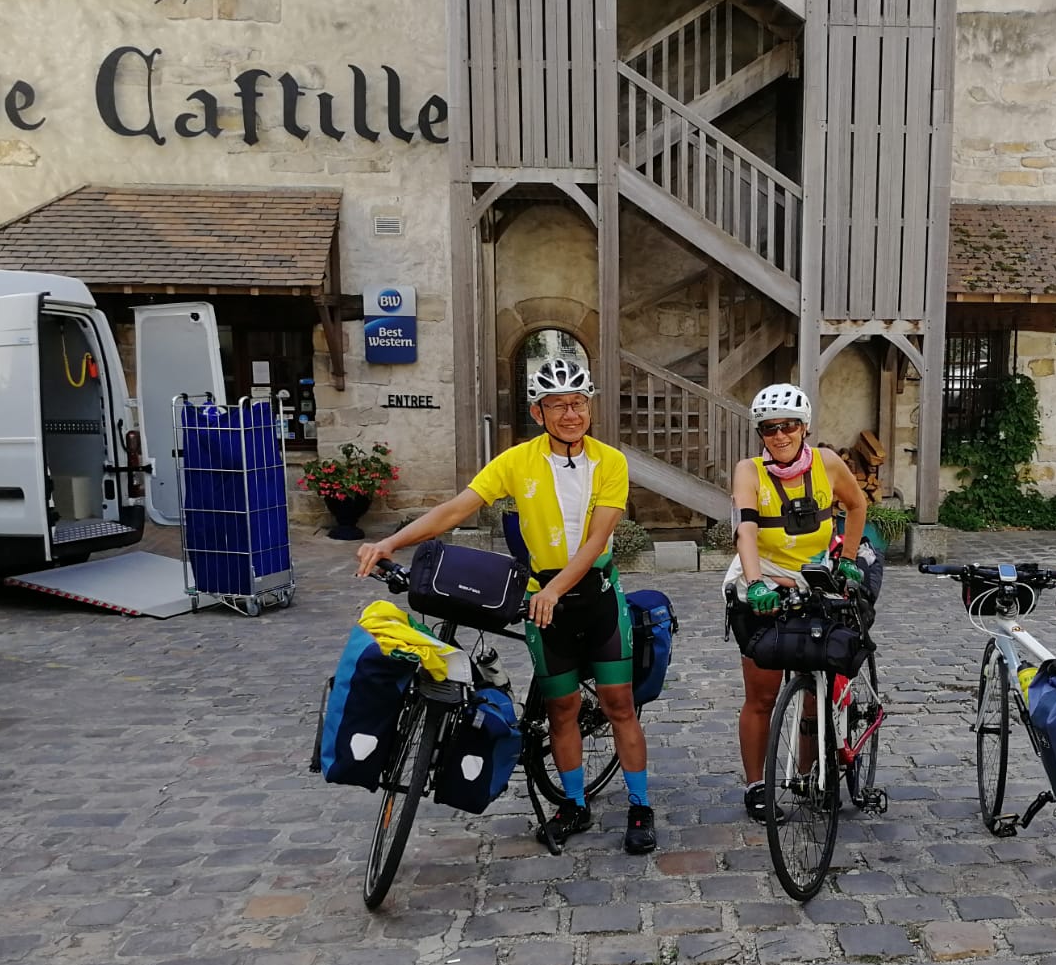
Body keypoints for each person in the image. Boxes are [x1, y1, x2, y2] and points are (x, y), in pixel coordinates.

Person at [355, 358, 656, 855]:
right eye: (557, 406)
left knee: (619, 705)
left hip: (597, 597)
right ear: (538, 413)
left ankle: (640, 805)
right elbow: (457, 508)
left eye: (578, 403)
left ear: (589, 408)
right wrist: (391, 541)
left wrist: (556, 589)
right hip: (544, 601)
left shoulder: (611, 462)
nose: (570, 414)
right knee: (561, 709)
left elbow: (597, 538)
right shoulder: (517, 461)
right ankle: (574, 803)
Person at [724, 384, 869, 822]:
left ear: (804, 427)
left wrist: (847, 560)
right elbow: (745, 530)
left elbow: (857, 505)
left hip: (814, 578)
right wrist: (756, 584)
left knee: (814, 695)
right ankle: (756, 786)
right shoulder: (749, 471)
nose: (780, 435)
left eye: (788, 426)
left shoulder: (827, 463)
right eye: (769, 429)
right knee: (761, 693)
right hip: (765, 577)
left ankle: (810, 776)